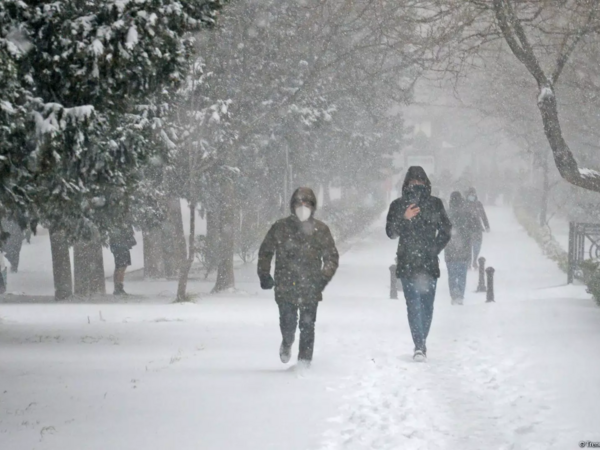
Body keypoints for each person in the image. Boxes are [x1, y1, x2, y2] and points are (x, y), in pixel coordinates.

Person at [257, 187, 339, 368]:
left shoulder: (320, 230)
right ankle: (287, 341)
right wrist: (264, 274)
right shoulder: (280, 227)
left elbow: (331, 257)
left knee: (308, 326)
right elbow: (266, 251)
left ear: (313, 206)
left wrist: (323, 278)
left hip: (310, 287)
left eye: (307, 203)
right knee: (288, 323)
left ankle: (304, 363)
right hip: (285, 285)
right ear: (292, 206)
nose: (303, 207)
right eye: (299, 203)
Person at [386, 166, 452, 361]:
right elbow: (391, 232)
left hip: (429, 264)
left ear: (426, 183)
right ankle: (419, 345)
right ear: (406, 184)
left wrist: (434, 249)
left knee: (427, 306)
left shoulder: (435, 204)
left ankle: (421, 342)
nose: (416, 185)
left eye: (420, 181)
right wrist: (404, 218)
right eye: (412, 181)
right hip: (407, 263)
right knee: (413, 305)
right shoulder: (397, 205)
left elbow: (446, 230)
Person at [445, 192, 478, 305]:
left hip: (450, 249)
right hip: (464, 249)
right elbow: (474, 227)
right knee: (462, 274)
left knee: (452, 274)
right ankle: (460, 295)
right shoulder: (467, 214)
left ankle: (454, 294)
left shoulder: (446, 214)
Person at [465, 187, 490, 269]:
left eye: (473, 194)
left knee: (477, 246)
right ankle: (468, 262)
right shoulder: (464, 204)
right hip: (467, 228)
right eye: (470, 194)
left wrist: (486, 225)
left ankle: (474, 260)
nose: (472, 196)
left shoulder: (478, 204)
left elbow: (483, 215)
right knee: (468, 246)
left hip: (477, 228)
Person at [109, 223, 137, 296]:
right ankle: (118, 287)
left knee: (120, 267)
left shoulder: (117, 224)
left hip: (120, 247)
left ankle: (118, 287)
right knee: (121, 267)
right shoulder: (120, 225)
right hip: (121, 247)